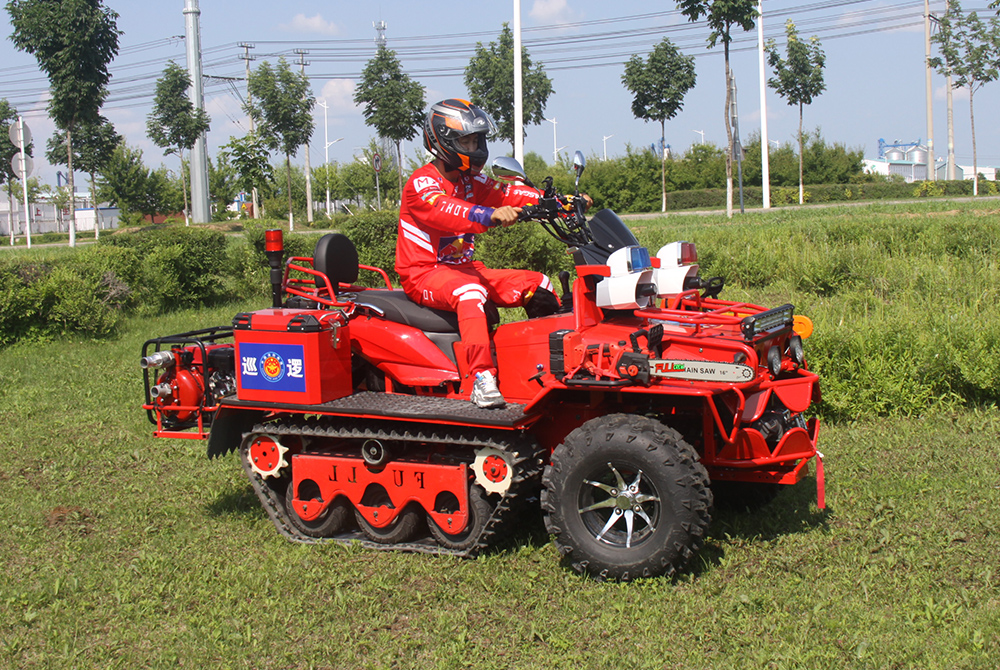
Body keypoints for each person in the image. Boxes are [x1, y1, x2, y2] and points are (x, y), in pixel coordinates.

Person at [396, 98, 561, 408]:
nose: (475, 147)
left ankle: (548, 366)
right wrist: (489, 215)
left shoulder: (471, 181)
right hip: (424, 274)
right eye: (466, 141)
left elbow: (506, 192)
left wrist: (557, 202)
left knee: (539, 283)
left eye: (477, 140)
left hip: (463, 269)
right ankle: (481, 378)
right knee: (471, 292)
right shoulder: (422, 183)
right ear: (443, 141)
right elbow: (446, 210)